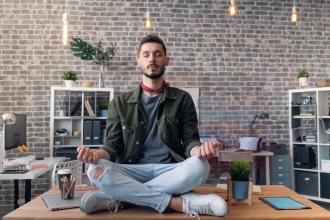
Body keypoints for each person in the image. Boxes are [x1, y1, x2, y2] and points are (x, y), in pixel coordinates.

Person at [77, 35, 228, 217]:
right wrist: (95, 154)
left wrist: (200, 151)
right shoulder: (120, 102)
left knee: (201, 167)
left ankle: (120, 197)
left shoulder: (182, 99)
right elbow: (112, 145)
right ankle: (177, 202)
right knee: (94, 169)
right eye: (146, 54)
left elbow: (190, 141)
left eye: (157, 54)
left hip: (170, 169)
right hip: (132, 170)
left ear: (166, 60)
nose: (152, 59)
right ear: (138, 61)